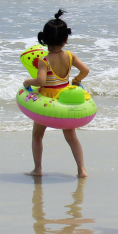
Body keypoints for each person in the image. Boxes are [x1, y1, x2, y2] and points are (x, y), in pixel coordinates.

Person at [23, 10, 90, 178]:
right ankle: (81, 170)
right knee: (71, 136)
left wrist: (27, 82)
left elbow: (40, 81)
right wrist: (76, 80)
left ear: (44, 40)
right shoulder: (70, 56)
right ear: (66, 39)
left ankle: (37, 170)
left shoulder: (44, 61)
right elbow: (85, 70)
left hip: (47, 101)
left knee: (37, 135)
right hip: (64, 99)